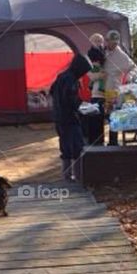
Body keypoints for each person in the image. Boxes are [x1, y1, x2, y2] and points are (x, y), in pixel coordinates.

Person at [50, 53, 91, 181]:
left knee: (65, 147)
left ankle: (66, 176)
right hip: (70, 118)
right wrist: (83, 106)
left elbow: (51, 91)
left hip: (58, 117)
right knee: (77, 147)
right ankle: (78, 176)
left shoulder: (61, 76)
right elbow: (71, 99)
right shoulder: (71, 80)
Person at [103, 29, 137, 145]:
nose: (111, 44)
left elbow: (134, 68)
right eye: (109, 41)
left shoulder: (121, 55)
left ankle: (113, 143)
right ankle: (97, 143)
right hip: (99, 89)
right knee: (99, 116)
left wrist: (129, 76)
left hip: (113, 89)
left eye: (114, 43)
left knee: (113, 115)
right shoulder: (101, 51)